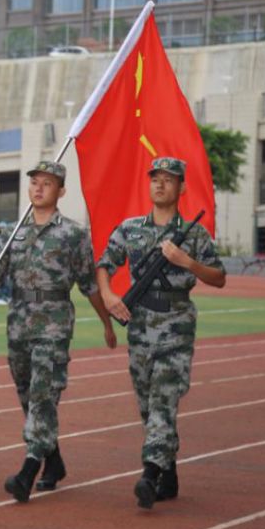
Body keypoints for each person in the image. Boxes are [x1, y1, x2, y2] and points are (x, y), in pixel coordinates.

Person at [0, 161, 116, 502]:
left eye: (48, 183)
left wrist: (106, 323)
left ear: (61, 191)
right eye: (35, 183)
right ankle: (54, 462)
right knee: (28, 396)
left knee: (44, 393)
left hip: (54, 321)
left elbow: (89, 283)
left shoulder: (73, 234)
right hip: (19, 321)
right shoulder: (12, 232)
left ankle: (29, 468)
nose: (39, 188)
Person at [95, 157, 225, 510]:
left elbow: (219, 277)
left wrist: (188, 263)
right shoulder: (130, 228)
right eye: (156, 179)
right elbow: (104, 264)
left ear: (182, 187)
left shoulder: (195, 234)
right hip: (140, 324)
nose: (161, 184)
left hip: (176, 323)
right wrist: (108, 296)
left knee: (163, 399)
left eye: (169, 180)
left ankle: (150, 473)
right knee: (145, 403)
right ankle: (168, 468)